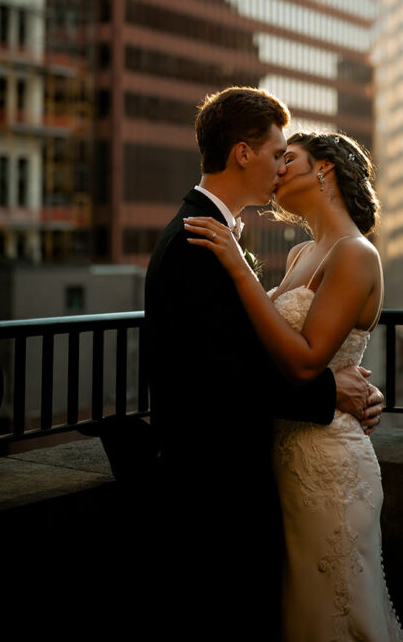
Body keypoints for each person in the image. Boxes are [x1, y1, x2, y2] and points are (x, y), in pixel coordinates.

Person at [144, 88, 383, 640]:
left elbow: (259, 350)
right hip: (216, 479)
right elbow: (224, 375)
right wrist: (330, 393)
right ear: (243, 154)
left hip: (289, 464)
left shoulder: (217, 233)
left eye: (289, 158)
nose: (279, 170)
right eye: (277, 154)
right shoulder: (198, 239)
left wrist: (345, 391)